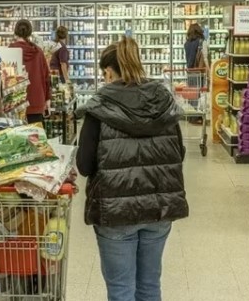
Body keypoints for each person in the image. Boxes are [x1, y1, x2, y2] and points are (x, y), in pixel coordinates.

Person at [75, 36, 188, 301]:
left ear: (109, 71)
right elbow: (179, 153)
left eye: (104, 74)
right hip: (158, 208)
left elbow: (84, 165)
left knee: (120, 290)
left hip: (116, 211)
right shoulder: (163, 101)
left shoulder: (99, 107)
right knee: (149, 286)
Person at [9, 19, 51, 124]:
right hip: (36, 102)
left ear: (15, 31)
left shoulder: (10, 51)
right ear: (30, 32)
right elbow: (46, 77)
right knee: (35, 134)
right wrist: (47, 99)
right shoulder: (38, 52)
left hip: (16, 104)